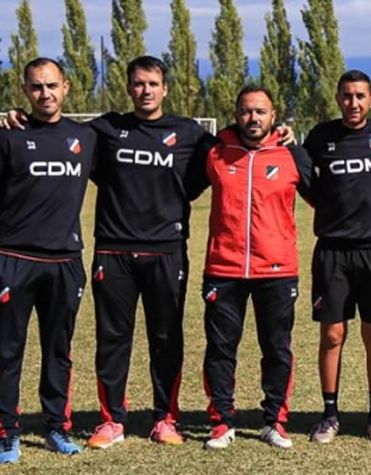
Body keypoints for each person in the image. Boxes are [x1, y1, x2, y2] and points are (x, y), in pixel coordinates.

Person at [0, 56, 295, 450]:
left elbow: (237, 142)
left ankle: (164, 418)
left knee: (166, 339)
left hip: (166, 252)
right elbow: (54, 130)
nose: (145, 91)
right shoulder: (103, 131)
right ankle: (112, 420)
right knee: (112, 340)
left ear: (164, 88)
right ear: (129, 87)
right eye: (138, 84)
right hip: (114, 251)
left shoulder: (190, 134)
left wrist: (279, 132)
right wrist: (15, 116)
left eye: (153, 84)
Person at [195, 85, 313, 450]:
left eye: (261, 111)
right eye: (246, 111)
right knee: (220, 349)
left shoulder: (292, 154)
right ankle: (221, 421)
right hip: (224, 267)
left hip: (277, 270)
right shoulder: (215, 151)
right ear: (236, 114)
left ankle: (274, 420)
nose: (253, 118)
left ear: (273, 116)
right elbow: (177, 188)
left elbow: (326, 197)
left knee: (277, 349)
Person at [302, 70, 371, 445]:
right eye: (347, 96)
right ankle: (330, 415)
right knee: (332, 334)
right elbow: (302, 176)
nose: (354, 103)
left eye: (360, 96)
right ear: (338, 98)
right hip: (332, 251)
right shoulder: (320, 137)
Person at [0, 58, 97, 463]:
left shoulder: (86, 137)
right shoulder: (8, 136)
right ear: (25, 90)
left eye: (52, 85)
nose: (45, 94)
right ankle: (7, 432)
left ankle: (57, 426)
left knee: (59, 349)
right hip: (13, 258)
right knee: (7, 351)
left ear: (66, 87)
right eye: (37, 87)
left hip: (65, 261)